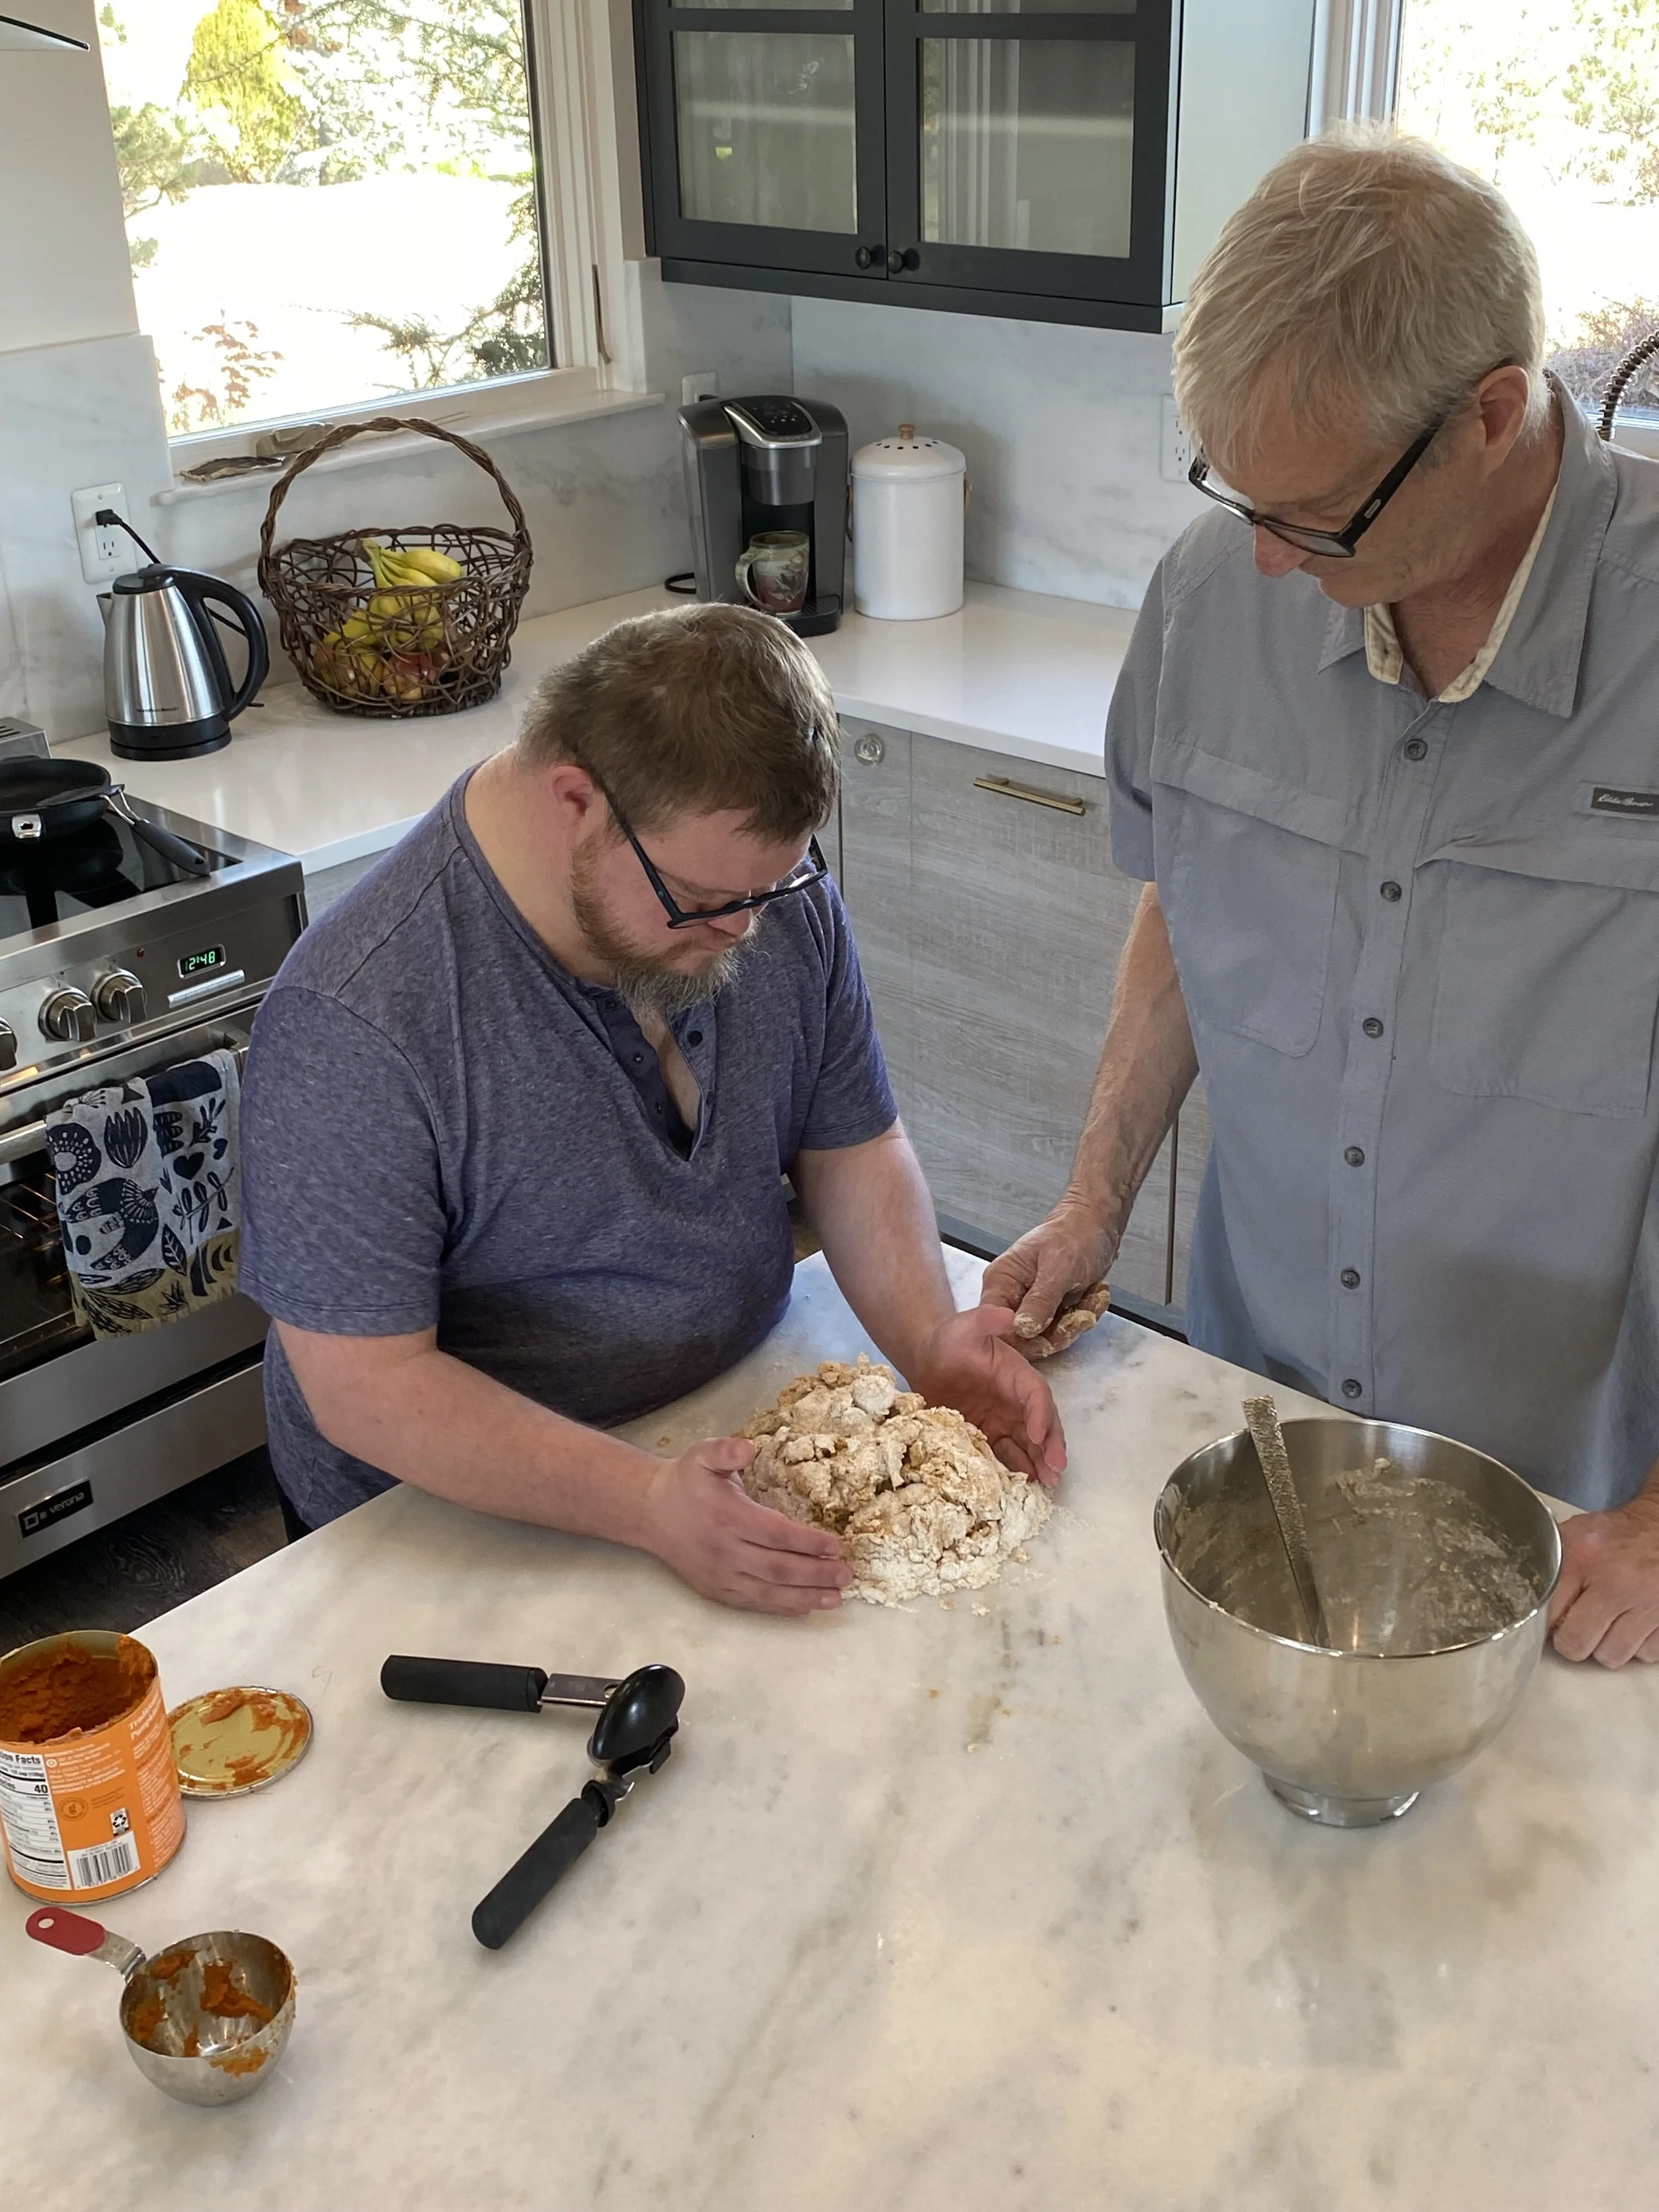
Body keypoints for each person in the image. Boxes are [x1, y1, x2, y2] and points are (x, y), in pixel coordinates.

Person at [985, 127, 1659, 1668]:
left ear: (1494, 414)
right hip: (1256, 1436)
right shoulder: (1211, 593)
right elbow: (1184, 905)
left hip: (1577, 1525)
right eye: (1238, 498)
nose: (1269, 565)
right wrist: (1092, 1199)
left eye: (1318, 517)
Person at [240, 602, 1062, 1616]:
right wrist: (646, 1505)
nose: (743, 933)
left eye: (773, 887)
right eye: (704, 901)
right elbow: (367, 1387)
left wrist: (930, 1341)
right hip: (443, 1527)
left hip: (712, 1428)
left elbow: (852, 1143)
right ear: (575, 800)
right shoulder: (360, 1017)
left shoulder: (757, 894)